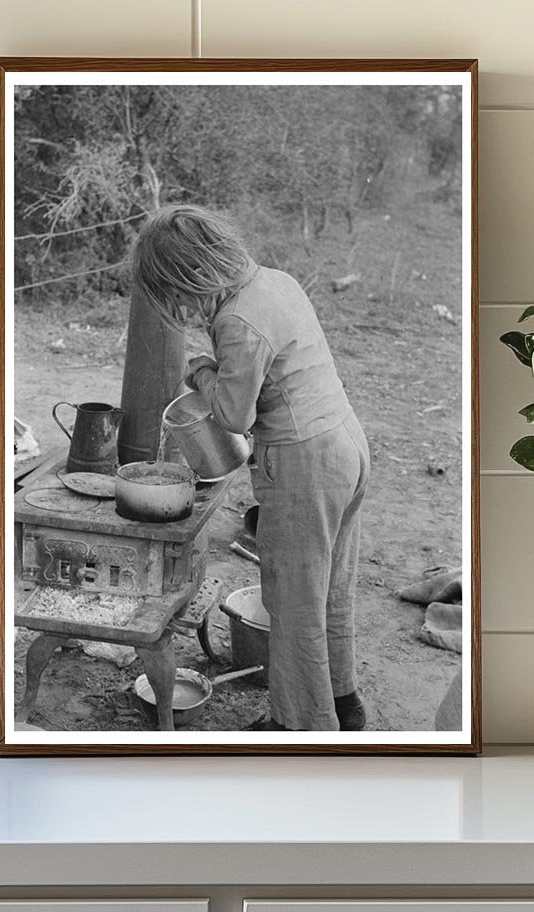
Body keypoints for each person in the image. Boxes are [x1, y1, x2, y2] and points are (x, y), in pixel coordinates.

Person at [131, 203, 371, 731]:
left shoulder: (237, 319)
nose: (180, 304)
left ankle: (302, 728)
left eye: (173, 289)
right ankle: (343, 701)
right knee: (330, 587)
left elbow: (234, 416)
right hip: (345, 443)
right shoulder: (276, 282)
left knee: (293, 601)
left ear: (185, 273)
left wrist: (200, 372)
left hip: (304, 461)